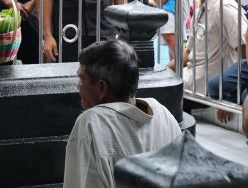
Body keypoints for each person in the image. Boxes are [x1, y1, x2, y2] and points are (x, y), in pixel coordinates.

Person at [63, 40, 181, 188]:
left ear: (101, 88)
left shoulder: (91, 123)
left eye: (82, 78)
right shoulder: (162, 113)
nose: (78, 85)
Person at [171, 0, 248, 95]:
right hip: (191, 77)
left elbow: (244, 52)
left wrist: (231, 93)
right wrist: (162, 69)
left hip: (208, 86)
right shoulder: (201, 7)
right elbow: (187, 53)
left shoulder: (224, 8)